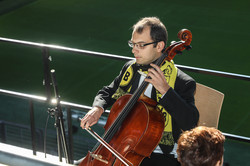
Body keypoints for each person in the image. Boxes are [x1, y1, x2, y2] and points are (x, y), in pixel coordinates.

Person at [80, 17, 199, 166]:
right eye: (133, 44)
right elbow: (108, 91)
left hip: (161, 155)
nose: (133, 50)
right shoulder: (131, 68)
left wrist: (165, 90)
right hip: (121, 148)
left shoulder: (182, 82)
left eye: (141, 45)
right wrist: (98, 108)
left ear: (159, 46)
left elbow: (191, 123)